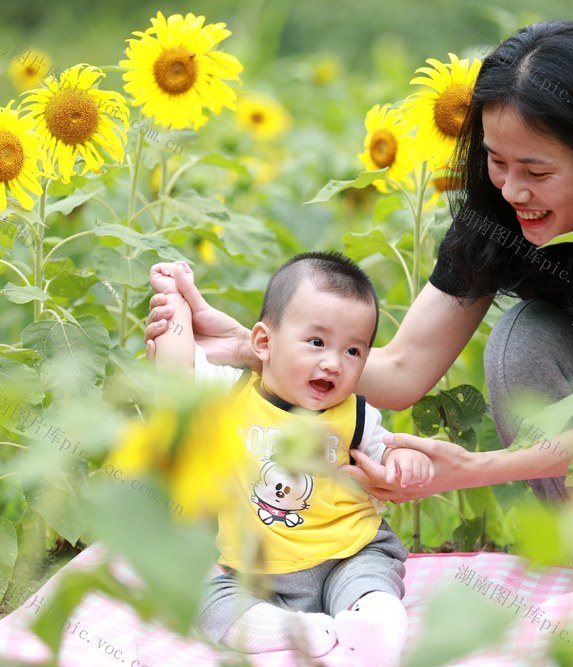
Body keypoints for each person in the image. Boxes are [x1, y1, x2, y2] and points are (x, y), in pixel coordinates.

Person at [146, 20, 573, 647]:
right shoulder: (499, 215)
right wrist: (253, 347)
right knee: (522, 337)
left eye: (536, 170)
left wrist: (474, 469)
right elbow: (399, 367)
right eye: (497, 163)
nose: (511, 190)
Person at [149, 253, 434, 665]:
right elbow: (176, 374)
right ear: (263, 342)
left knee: (373, 585)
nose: (333, 363)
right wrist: (175, 301)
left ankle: (373, 628)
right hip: (256, 570)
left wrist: (407, 458)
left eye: (353, 351)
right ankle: (290, 630)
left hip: (349, 552)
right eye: (316, 342)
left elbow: (386, 450)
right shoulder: (232, 394)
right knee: (206, 601)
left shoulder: (354, 416)